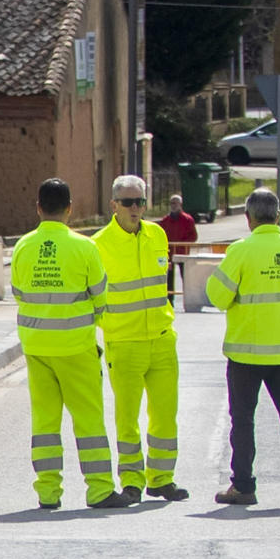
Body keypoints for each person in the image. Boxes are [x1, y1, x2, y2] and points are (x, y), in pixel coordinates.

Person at [11, 178, 128, 510]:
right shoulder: (85, 247)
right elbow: (100, 296)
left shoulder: (23, 246)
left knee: (45, 422)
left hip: (36, 347)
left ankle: (48, 493)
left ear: (38, 208)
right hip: (76, 346)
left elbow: (19, 293)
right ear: (70, 209)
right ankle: (100, 490)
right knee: (89, 419)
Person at [205, 187, 280, 508]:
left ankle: (243, 486)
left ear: (248, 218)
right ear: (278, 216)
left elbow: (217, 295)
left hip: (247, 353)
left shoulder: (241, 250)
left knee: (243, 420)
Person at [92, 175, 188, 503]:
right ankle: (132, 479)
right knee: (127, 417)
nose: (136, 209)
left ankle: (161, 478)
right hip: (124, 342)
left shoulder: (157, 235)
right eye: (129, 203)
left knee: (165, 413)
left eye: (140, 202)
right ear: (114, 205)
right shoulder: (99, 245)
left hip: (161, 340)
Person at [158, 194, 198, 295]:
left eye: (175, 203)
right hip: (169, 254)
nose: (173, 205)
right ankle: (170, 301)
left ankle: (188, 297)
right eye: (171, 203)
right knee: (169, 278)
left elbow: (193, 236)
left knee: (185, 277)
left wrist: (182, 245)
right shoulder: (165, 220)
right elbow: (161, 236)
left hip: (182, 253)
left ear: (180, 204)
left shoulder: (187, 220)